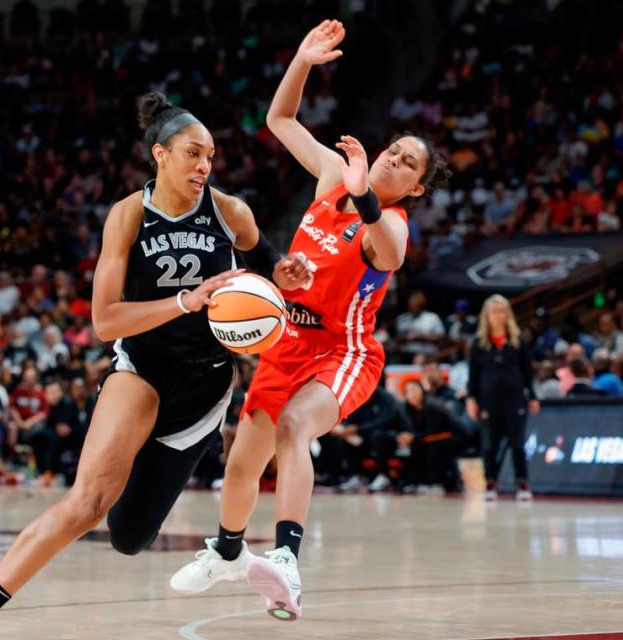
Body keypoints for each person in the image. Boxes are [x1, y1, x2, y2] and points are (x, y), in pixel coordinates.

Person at [0, 91, 312, 639]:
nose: (205, 165)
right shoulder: (129, 215)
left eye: (211, 156)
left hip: (205, 388)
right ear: (160, 154)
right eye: (192, 153)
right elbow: (105, 321)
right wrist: (187, 299)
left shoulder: (230, 212)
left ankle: (229, 554)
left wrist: (287, 273)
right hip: (143, 372)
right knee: (86, 502)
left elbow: (268, 261)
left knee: (130, 537)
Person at [170, 20, 450, 622]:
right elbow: (281, 121)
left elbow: (391, 252)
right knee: (243, 461)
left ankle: (290, 560)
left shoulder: (392, 221)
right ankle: (225, 551)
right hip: (286, 342)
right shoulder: (330, 180)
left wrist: (367, 198)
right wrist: (301, 61)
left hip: (343, 353)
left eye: (407, 165)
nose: (395, 161)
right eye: (394, 151)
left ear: (416, 187)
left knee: (297, 427)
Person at [466, 295, 540, 502]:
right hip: (489, 400)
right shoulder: (479, 344)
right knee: (490, 444)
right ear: (486, 316)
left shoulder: (518, 341)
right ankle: (490, 483)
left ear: (508, 314)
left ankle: (522, 483)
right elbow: (473, 375)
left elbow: (527, 372)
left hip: (515, 398)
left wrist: (532, 396)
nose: (498, 316)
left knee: (517, 443)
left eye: (501, 311)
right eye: (494, 311)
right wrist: (472, 399)